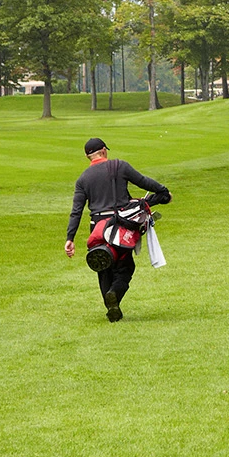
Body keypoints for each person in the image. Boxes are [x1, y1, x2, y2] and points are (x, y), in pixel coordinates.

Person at [65, 137, 170, 322]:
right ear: (104, 151)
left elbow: (76, 211)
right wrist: (164, 192)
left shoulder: (82, 179)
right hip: (119, 225)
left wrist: (70, 238)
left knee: (103, 267)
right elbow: (144, 182)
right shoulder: (119, 166)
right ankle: (114, 295)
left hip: (96, 228)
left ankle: (112, 306)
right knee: (125, 267)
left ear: (88, 156)